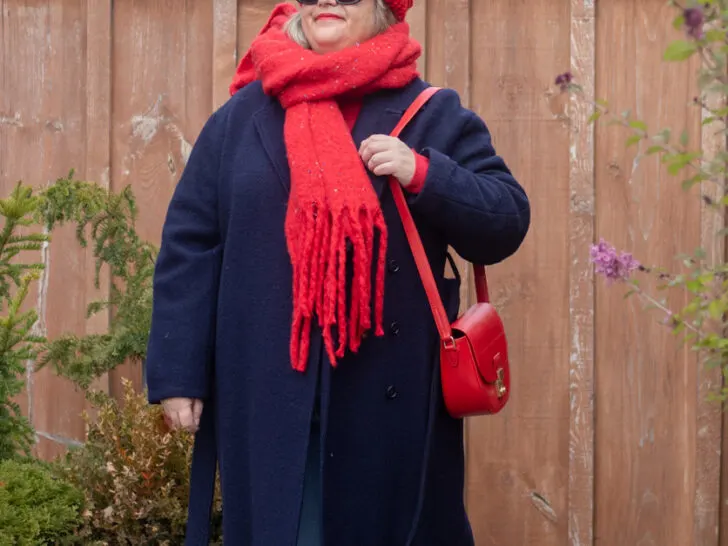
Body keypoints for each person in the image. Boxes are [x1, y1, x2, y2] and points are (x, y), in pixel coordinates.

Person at [145, 0, 530, 544]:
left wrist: (423, 173)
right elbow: (191, 244)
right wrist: (178, 371)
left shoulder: (431, 113)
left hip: (389, 399)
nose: (328, 1)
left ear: (383, 10)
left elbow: (507, 219)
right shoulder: (241, 116)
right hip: (267, 391)